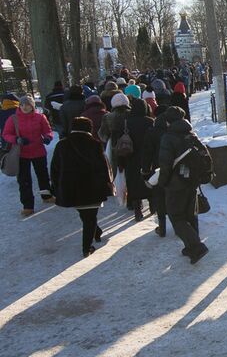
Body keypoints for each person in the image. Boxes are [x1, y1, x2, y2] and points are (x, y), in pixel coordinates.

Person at [50, 117, 113, 257]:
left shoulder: (62, 145)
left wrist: (56, 186)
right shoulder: (95, 144)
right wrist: (107, 184)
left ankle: (96, 232)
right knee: (90, 217)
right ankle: (87, 247)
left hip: (70, 188)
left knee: (85, 214)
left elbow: (54, 168)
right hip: (93, 187)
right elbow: (104, 167)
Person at [157, 106, 210, 264]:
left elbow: (165, 164)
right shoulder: (191, 134)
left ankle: (196, 246)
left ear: (168, 121)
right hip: (192, 181)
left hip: (175, 184)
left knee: (176, 216)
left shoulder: (168, 138)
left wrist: (162, 182)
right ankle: (191, 246)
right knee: (190, 214)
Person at [2, 95, 55, 215]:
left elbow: (48, 130)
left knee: (43, 176)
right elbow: (6, 134)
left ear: (32, 106)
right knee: (24, 180)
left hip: (38, 151)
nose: (25, 107)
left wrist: (47, 137)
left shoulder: (40, 117)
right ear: (19, 106)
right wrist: (17, 139)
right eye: (22, 104)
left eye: (28, 105)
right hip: (21, 154)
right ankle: (28, 205)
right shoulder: (13, 118)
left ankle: (46, 196)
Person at [124, 98, 154, 221]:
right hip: (148, 156)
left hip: (131, 157)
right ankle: (153, 206)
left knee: (133, 182)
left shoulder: (127, 122)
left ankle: (137, 209)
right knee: (150, 181)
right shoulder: (150, 121)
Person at [142, 105, 169, 236]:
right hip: (175, 169)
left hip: (158, 170)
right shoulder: (173, 130)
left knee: (160, 198)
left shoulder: (151, 131)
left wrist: (146, 170)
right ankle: (180, 225)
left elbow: (147, 153)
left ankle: (162, 227)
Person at [99, 93, 131, 174]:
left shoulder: (107, 117)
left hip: (114, 150)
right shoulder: (132, 115)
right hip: (131, 149)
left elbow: (103, 136)